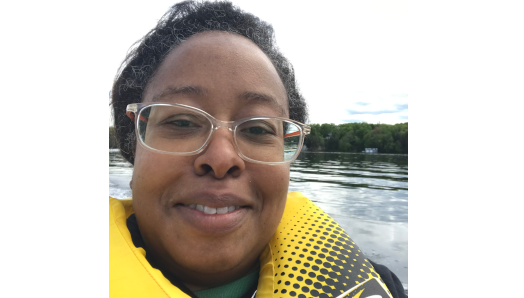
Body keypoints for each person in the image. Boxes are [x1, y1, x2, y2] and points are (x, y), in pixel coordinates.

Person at [109, 1, 407, 297]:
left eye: (257, 129)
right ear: (133, 142)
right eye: (183, 121)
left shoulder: (380, 287)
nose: (222, 158)